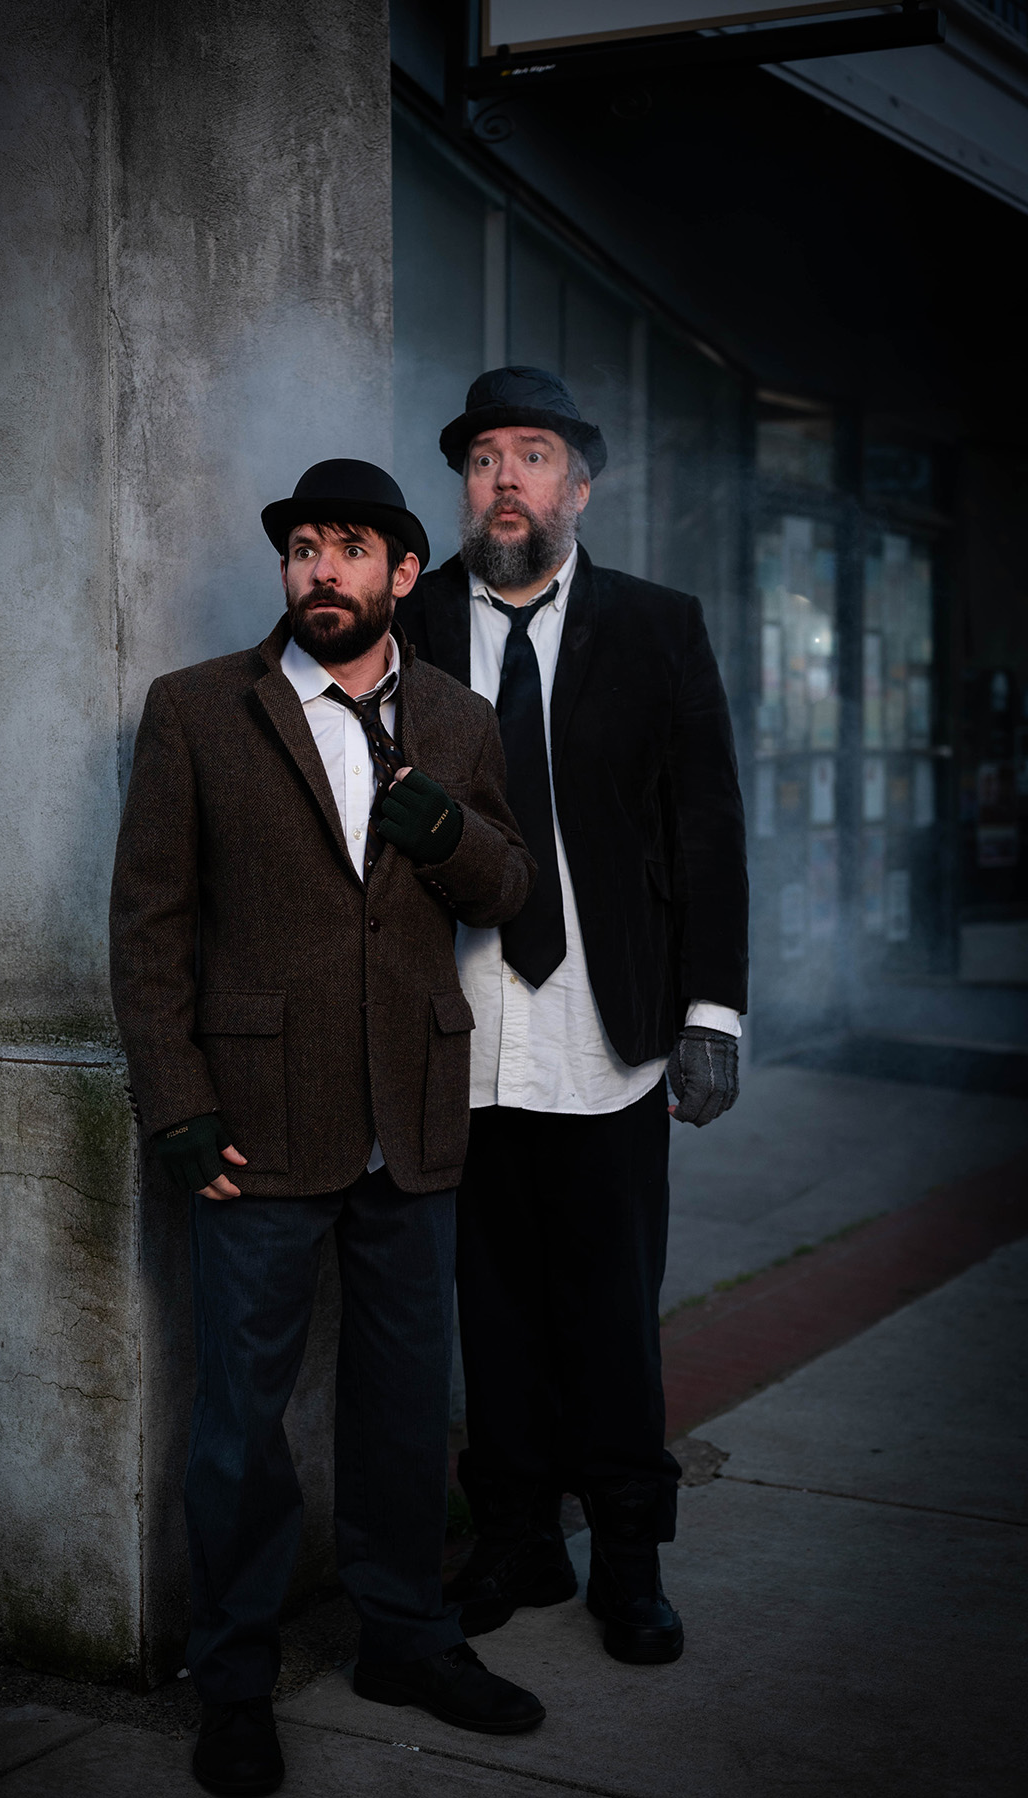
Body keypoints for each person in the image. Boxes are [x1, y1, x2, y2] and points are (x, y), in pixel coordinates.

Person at [109, 459, 542, 1797]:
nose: (319, 571)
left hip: (409, 1124)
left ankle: (406, 1634)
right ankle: (234, 1677)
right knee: (241, 1422)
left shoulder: (462, 720)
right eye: (302, 548)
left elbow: (513, 883)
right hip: (252, 1132)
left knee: (407, 1407)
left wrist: (448, 835)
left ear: (403, 574)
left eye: (348, 548)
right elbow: (150, 924)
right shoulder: (196, 711)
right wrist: (177, 1102)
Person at [398, 368, 748, 1668]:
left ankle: (632, 1557)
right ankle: (516, 1539)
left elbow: (704, 827)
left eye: (532, 454)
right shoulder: (417, 620)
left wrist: (714, 1008)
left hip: (610, 1042)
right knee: (491, 1312)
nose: (506, 478)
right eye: (485, 456)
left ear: (578, 485)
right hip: (467, 1034)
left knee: (609, 1310)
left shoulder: (658, 628)